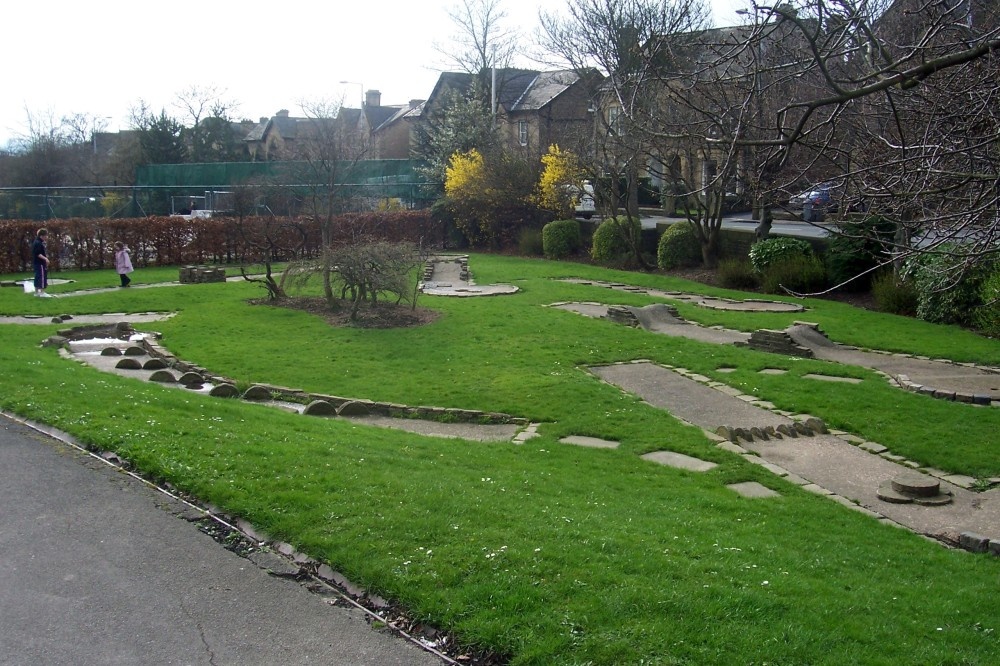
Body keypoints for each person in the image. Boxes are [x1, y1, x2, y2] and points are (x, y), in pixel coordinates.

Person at [32, 228, 52, 297]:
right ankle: (42, 292)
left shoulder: (36, 242)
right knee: (42, 277)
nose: (47, 237)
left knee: (37, 276)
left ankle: (36, 292)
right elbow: (38, 254)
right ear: (42, 236)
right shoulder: (38, 243)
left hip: (36, 263)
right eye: (46, 235)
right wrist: (46, 259)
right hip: (40, 263)